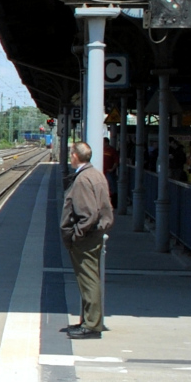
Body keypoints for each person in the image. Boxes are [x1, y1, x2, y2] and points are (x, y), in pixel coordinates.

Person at [60, 141, 114, 339]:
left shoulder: (83, 180)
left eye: (71, 153)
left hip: (86, 239)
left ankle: (92, 325)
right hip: (94, 235)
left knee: (88, 280)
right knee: (90, 279)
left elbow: (88, 214)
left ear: (74, 156)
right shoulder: (96, 175)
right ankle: (89, 320)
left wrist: (76, 235)